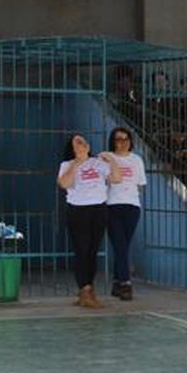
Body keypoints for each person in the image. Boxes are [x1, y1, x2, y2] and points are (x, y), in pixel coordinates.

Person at [57, 134, 120, 308]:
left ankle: (89, 288)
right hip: (78, 209)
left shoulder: (98, 163)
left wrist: (112, 161)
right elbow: (64, 183)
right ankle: (84, 289)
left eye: (83, 141)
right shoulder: (67, 165)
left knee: (92, 250)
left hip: (98, 209)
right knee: (81, 249)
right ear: (71, 147)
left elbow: (116, 178)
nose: (81, 144)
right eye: (76, 142)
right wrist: (77, 163)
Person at [103, 127, 146, 301]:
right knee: (120, 245)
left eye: (126, 139)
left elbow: (141, 184)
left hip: (132, 206)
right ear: (113, 141)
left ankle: (116, 282)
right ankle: (126, 283)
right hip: (112, 205)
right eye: (118, 139)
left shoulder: (136, 160)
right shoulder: (106, 158)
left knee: (123, 246)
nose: (122, 143)